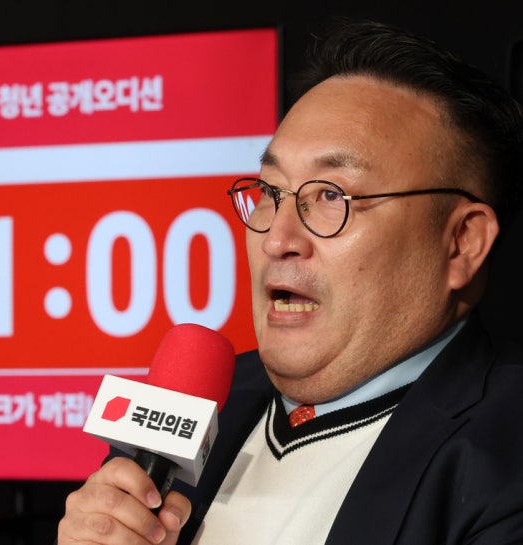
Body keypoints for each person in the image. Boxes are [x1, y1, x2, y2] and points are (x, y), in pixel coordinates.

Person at [57, 17, 523, 545]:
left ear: (461, 241)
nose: (277, 238)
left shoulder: (504, 456)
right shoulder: (199, 414)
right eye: (270, 191)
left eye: (331, 196)